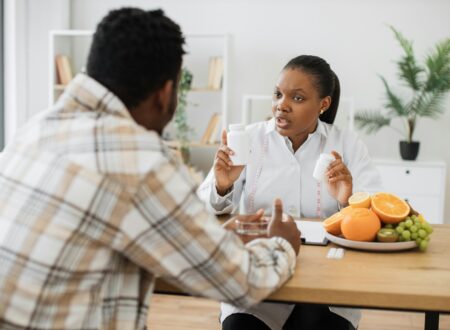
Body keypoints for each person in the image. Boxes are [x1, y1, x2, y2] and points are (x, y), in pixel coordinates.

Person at [0, 8, 301, 329]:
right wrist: (283, 244)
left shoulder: (34, 130)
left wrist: (211, 237)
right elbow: (242, 282)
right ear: (165, 93)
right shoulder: (140, 161)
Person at [198, 55, 383, 330]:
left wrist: (348, 199)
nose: (281, 106)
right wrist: (223, 185)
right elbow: (203, 208)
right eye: (277, 94)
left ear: (324, 104)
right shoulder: (249, 139)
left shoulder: (346, 144)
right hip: (258, 275)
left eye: (297, 98)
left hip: (328, 280)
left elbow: (374, 217)